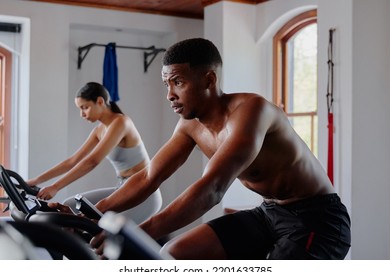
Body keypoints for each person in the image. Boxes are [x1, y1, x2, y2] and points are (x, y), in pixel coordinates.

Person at [90, 38, 351, 260]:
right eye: (166, 84)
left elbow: (212, 189)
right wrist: (96, 212)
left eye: (178, 82)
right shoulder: (189, 126)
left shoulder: (252, 111)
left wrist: (137, 233)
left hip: (318, 219)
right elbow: (149, 178)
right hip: (269, 212)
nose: (169, 94)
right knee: (174, 253)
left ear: (209, 80)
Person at [26, 82, 158, 217]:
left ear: (100, 101)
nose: (82, 114)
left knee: (105, 234)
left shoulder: (121, 122)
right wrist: (36, 181)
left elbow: (92, 161)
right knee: (70, 205)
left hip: (144, 191)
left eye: (85, 107)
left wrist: (55, 187)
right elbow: (73, 161)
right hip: (123, 187)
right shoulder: (99, 131)